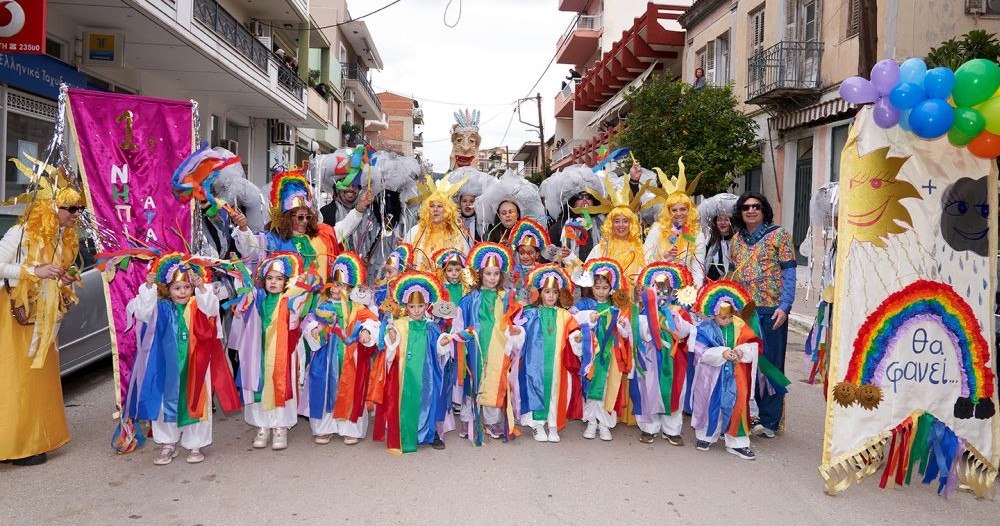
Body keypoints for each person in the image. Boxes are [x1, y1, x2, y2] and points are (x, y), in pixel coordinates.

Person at [124, 254, 241, 465]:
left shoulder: (197, 305)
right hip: (166, 365)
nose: (182, 292)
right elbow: (143, 313)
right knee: (164, 401)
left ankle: (195, 443)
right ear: (168, 289)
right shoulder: (162, 307)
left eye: (186, 287)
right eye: (177, 288)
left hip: (195, 363)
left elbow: (212, 310)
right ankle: (168, 442)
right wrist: (149, 288)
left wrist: (202, 287)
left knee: (196, 399)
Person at [0, 181, 83, 466]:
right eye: (71, 208)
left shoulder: (64, 237)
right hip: (15, 317)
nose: (77, 213)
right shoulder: (21, 232)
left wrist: (62, 277)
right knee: (15, 380)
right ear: (52, 206)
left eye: (80, 208)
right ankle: (13, 445)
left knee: (38, 381)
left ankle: (33, 441)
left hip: (44, 317)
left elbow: (52, 274)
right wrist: (35, 271)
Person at [729, 191, 796, 438]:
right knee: (746, 363)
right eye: (746, 207)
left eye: (756, 206)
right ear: (741, 212)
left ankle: (771, 421)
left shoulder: (779, 235)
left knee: (770, 364)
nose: (751, 210)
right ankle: (747, 413)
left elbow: (789, 273)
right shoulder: (736, 240)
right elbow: (732, 275)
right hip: (744, 313)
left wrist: (785, 305)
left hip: (772, 311)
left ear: (763, 210)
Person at [230, 252, 311, 451]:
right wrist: (239, 267)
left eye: (279, 278)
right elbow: (246, 288)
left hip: (281, 353)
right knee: (260, 385)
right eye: (270, 278)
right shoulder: (258, 299)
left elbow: (302, 300)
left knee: (280, 385)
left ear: (286, 282)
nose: (273, 282)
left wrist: (301, 284)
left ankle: (280, 426)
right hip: (259, 352)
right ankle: (263, 426)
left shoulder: (289, 301)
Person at [301, 252, 380, 445]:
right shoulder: (322, 304)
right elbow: (309, 319)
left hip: (349, 355)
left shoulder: (358, 307)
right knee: (324, 385)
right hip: (325, 354)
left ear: (351, 288)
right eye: (335, 284)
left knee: (350, 388)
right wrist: (313, 329)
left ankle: (349, 427)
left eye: (343, 285)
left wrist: (367, 331)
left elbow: (371, 320)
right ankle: (324, 427)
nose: (338, 289)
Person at [372, 271, 455, 453]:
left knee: (429, 400)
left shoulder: (431, 326)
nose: (416, 310)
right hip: (405, 372)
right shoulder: (400, 324)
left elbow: (439, 343)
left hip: (427, 372)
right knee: (405, 400)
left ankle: (431, 433)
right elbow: (390, 347)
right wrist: (391, 337)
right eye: (412, 306)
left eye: (420, 306)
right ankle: (404, 431)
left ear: (426, 305)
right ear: (406, 307)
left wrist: (442, 342)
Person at [232, 167, 362, 282]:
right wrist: (243, 228)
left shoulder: (320, 236)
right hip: (286, 306)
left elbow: (342, 229)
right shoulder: (272, 240)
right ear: (288, 217)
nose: (305, 221)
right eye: (300, 217)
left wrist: (359, 209)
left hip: (315, 304)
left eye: (308, 217)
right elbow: (250, 249)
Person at [453, 243, 524, 442]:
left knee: (494, 381)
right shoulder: (469, 299)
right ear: (480, 275)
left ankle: (492, 421)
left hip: (498, 348)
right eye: (488, 274)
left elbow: (515, 321)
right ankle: (469, 419)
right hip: (475, 347)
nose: (492, 278)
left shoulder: (507, 297)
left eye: (495, 274)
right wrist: (461, 335)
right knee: (473, 382)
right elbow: (459, 323)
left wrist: (515, 331)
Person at [690, 280, 761, 460]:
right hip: (712, 376)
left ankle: (737, 442)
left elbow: (752, 344)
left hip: (737, 375)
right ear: (713, 313)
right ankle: (706, 436)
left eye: (730, 316)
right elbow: (700, 352)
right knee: (709, 402)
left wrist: (740, 351)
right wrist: (722, 353)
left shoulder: (740, 325)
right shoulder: (705, 328)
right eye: (723, 317)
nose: (728, 320)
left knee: (737, 404)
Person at [632, 262, 697, 445]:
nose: (661, 295)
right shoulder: (643, 312)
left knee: (675, 390)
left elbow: (687, 332)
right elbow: (641, 333)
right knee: (649, 389)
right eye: (657, 291)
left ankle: (672, 429)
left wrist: (677, 323)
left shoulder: (679, 312)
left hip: (674, 360)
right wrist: (651, 323)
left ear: (673, 292)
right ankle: (649, 427)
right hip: (650, 359)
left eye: (666, 291)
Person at [518, 264, 584, 443]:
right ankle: (538, 424)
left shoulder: (564, 315)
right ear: (539, 292)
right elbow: (520, 332)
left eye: (555, 292)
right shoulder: (531, 314)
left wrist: (577, 338)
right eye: (547, 292)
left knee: (556, 391)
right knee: (536, 387)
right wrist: (516, 333)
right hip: (535, 363)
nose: (551, 296)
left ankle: (553, 425)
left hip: (557, 364)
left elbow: (574, 332)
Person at [572, 259, 632, 442]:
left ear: (611, 288)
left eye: (605, 288)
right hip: (591, 353)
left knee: (608, 386)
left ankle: (605, 423)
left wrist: (623, 324)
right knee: (589, 384)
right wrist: (586, 317)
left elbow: (625, 332)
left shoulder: (616, 308)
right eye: (597, 287)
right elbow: (571, 316)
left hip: (610, 354)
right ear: (592, 286)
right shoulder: (584, 304)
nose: (600, 291)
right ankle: (591, 421)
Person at [644, 157, 706, 288]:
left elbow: (697, 268)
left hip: (685, 290)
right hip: (657, 287)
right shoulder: (657, 230)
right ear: (668, 211)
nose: (679, 214)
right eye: (674, 210)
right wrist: (664, 259)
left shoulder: (695, 234)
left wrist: (695, 293)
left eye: (683, 209)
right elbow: (645, 260)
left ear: (689, 210)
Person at [403, 175, 471, 272]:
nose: (435, 210)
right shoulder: (415, 231)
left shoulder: (457, 234)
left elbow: (466, 263)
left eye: (439, 206)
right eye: (432, 206)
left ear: (447, 210)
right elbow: (402, 259)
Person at [319, 183, 375, 253]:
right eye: (346, 184)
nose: (351, 189)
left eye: (355, 185)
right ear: (337, 189)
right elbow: (335, 235)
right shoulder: (325, 213)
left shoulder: (368, 213)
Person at [698, 193, 738, 281]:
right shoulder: (710, 240)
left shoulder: (737, 241)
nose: (722, 223)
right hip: (710, 284)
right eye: (719, 219)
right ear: (715, 223)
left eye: (726, 220)